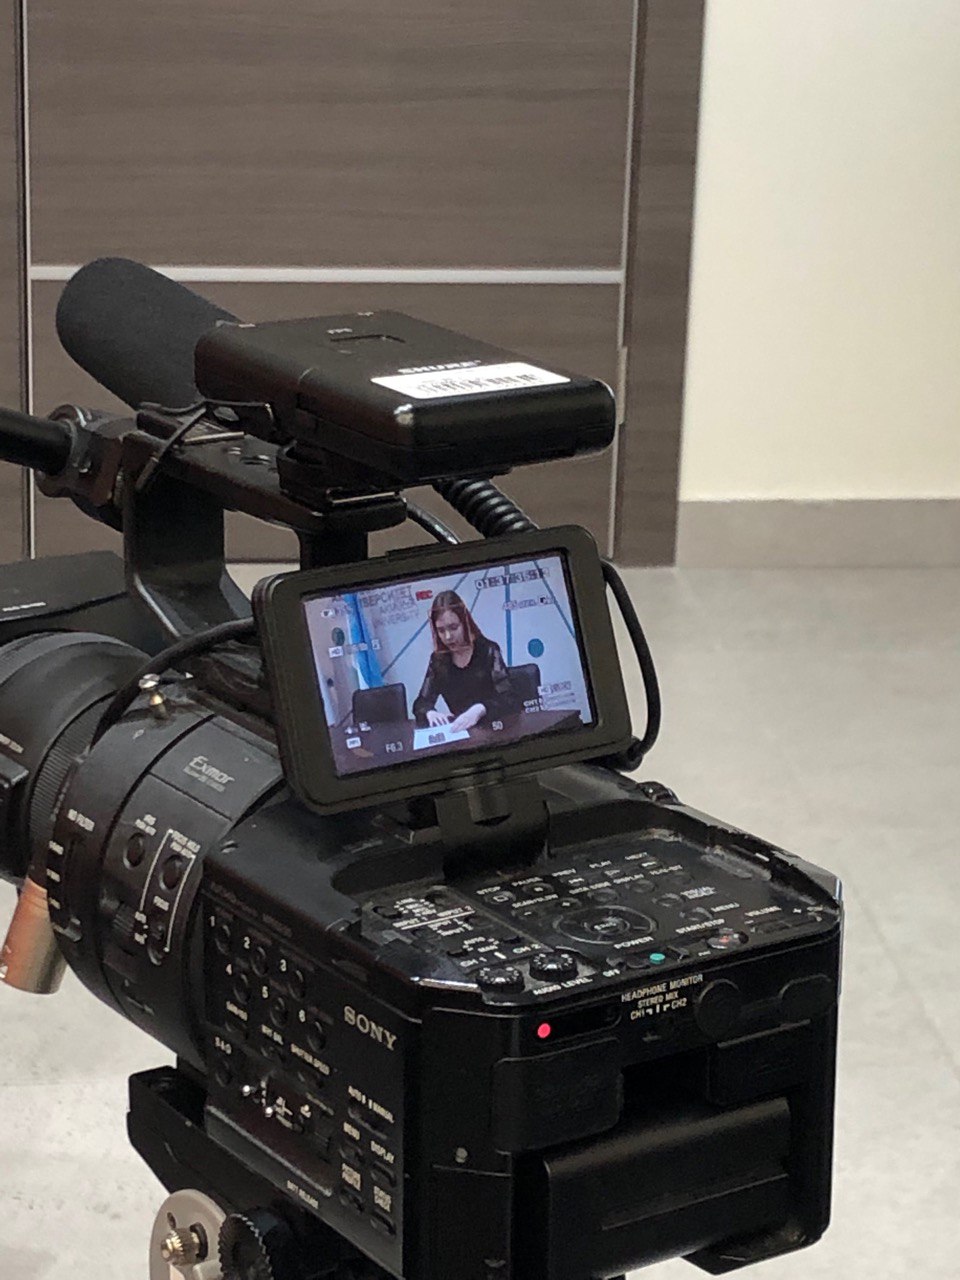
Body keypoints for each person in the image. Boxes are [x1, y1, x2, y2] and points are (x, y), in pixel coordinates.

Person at [413, 591, 519, 731]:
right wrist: (429, 712)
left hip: (495, 729)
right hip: (462, 732)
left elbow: (510, 699)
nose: (448, 637)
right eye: (441, 630)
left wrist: (481, 709)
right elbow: (421, 702)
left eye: (453, 628)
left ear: (465, 623)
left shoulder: (488, 650)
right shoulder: (438, 660)